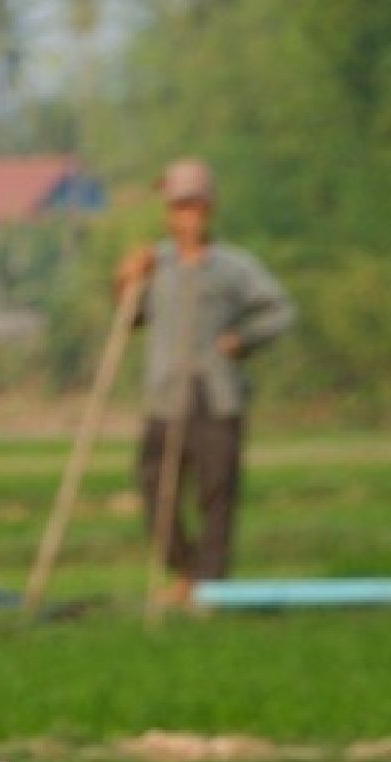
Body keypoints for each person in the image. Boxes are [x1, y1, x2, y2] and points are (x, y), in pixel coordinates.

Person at [113, 158, 295, 594]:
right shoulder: (155, 265)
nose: (186, 218)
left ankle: (210, 589)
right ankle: (185, 572)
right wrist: (124, 282)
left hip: (216, 396)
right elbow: (129, 319)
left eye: (193, 208)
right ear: (168, 214)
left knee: (216, 494)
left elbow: (280, 310)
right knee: (155, 488)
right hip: (165, 395)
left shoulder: (234, 267)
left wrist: (242, 339)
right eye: (178, 208)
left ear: (208, 210)